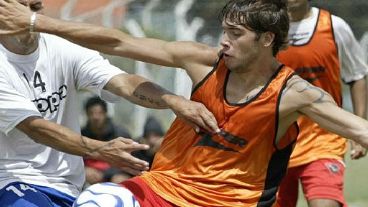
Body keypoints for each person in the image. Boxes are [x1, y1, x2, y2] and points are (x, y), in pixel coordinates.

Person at [2, 0, 368, 206]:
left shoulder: (294, 93)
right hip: (165, 188)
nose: (223, 42)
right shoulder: (202, 61)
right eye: (223, 31)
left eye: (235, 35)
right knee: (97, 201)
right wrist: (37, 22)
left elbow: (357, 128)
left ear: (266, 39)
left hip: (231, 203)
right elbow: (116, 42)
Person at [0, 0, 220, 206]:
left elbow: (123, 82)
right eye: (20, 7)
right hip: (13, 180)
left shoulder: (62, 48)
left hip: (68, 186)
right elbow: (36, 127)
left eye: (34, 8)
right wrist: (100, 149)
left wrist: (173, 101)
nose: (28, 15)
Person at [275, 0, 368, 206]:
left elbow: (357, 76)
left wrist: (357, 129)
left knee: (325, 203)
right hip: (275, 144)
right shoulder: (268, 29)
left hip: (324, 140)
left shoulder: (334, 26)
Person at [81, 96, 132, 185]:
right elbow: (73, 160)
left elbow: (128, 161)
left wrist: (105, 174)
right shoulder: (80, 135)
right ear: (87, 114)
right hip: (88, 178)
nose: (95, 117)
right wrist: (84, 170)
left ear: (105, 113)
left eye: (99, 113)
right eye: (91, 113)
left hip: (114, 176)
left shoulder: (120, 134)